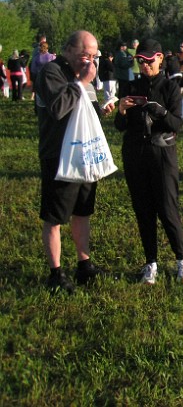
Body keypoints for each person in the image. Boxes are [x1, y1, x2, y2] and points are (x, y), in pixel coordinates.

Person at [35, 30, 115, 293]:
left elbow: (85, 113)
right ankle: (55, 273)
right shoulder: (51, 72)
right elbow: (59, 109)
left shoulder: (85, 75)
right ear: (67, 50)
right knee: (55, 216)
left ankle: (84, 264)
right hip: (58, 155)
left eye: (93, 56)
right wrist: (81, 82)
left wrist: (103, 110)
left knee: (83, 211)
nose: (89, 61)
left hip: (83, 155)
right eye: (84, 55)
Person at [114, 39, 183, 285]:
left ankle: (182, 260)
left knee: (168, 208)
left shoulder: (170, 87)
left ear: (160, 58)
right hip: (135, 153)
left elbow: (176, 124)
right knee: (143, 210)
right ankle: (151, 263)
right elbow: (120, 127)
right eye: (140, 61)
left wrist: (161, 112)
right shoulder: (130, 85)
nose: (145, 65)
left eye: (149, 60)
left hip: (162, 152)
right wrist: (121, 111)